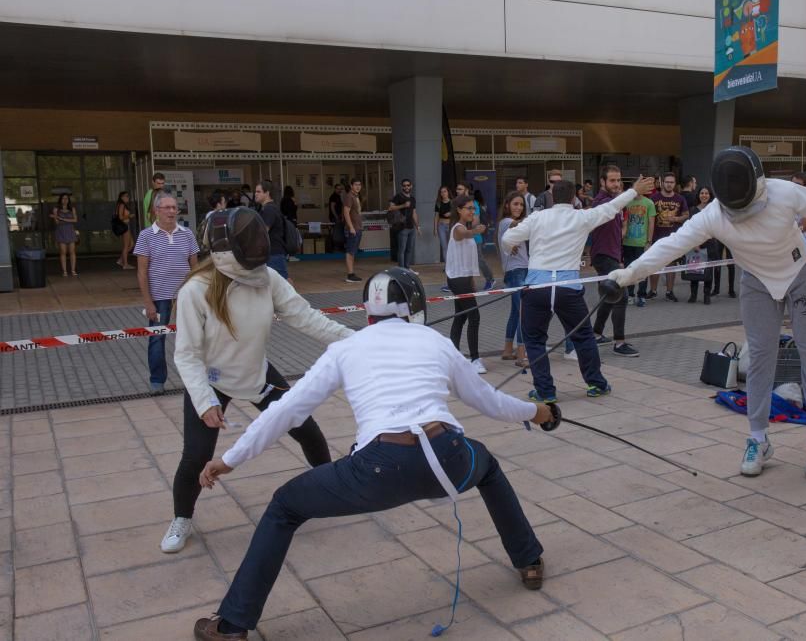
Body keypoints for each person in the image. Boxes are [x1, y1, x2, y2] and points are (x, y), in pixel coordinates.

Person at [191, 268, 551, 640]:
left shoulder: (346, 349)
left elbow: (287, 410)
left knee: (285, 506)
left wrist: (230, 459)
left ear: (368, 311)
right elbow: (490, 402)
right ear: (414, 305)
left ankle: (232, 625)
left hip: (377, 470)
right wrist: (539, 412)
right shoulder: (434, 339)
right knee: (487, 466)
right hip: (450, 459)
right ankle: (528, 560)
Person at [610, 146, 806, 480]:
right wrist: (629, 274)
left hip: (802, 275)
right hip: (757, 283)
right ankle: (758, 439)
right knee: (760, 358)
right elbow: (670, 245)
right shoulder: (713, 215)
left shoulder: (783, 191)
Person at [163, 207, 354, 554]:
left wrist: (356, 340)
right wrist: (205, 402)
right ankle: (181, 519)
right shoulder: (196, 290)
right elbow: (186, 355)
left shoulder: (267, 278)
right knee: (195, 457)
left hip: (257, 374)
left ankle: (333, 489)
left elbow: (307, 318)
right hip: (211, 382)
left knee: (307, 429)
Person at [502, 176, 655, 403]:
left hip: (537, 288)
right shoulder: (582, 217)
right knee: (584, 337)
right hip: (568, 289)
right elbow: (611, 207)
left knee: (534, 340)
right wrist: (634, 191)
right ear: (574, 197)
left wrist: (511, 247)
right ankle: (596, 384)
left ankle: (545, 392)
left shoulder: (537, 217)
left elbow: (507, 237)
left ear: (552, 196)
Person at [135, 191, 199, 395]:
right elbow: (142, 272)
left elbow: (195, 268)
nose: (172, 211)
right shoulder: (146, 236)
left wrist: (196, 295)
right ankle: (157, 381)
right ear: (156, 211)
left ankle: (195, 378)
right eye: (167, 208)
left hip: (185, 297)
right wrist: (148, 302)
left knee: (193, 337)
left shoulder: (187, 234)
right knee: (156, 339)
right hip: (159, 297)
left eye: (174, 208)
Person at [590, 165, 641, 357]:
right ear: (602, 182)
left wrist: (619, 258)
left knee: (609, 295)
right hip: (603, 256)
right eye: (612, 180)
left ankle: (596, 333)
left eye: (619, 180)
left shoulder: (614, 202)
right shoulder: (601, 202)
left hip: (610, 255)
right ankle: (619, 343)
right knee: (621, 295)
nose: (617, 184)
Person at [445, 194, 487, 374]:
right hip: (456, 278)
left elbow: (468, 259)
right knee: (474, 316)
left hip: (463, 278)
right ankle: (475, 358)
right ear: (459, 210)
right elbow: (463, 235)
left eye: (473, 208)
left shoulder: (466, 228)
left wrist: (471, 279)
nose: (472, 211)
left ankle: (452, 356)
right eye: (469, 208)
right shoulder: (458, 228)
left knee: (461, 316)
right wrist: (477, 230)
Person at [498, 191, 529, 367]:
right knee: (524, 313)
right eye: (515, 204)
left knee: (516, 312)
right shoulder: (507, 222)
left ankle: (508, 350)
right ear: (507, 205)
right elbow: (517, 224)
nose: (518, 207)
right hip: (517, 271)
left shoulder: (510, 224)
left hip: (516, 271)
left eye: (521, 205)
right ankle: (522, 355)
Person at [646, 172, 688, 301]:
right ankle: (653, 291)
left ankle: (670, 291)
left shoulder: (680, 199)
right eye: (667, 182)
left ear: (675, 184)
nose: (669, 184)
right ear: (662, 183)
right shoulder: (654, 198)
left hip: (673, 238)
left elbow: (686, 215)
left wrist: (675, 218)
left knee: (671, 265)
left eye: (672, 182)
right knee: (655, 265)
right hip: (656, 237)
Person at [622, 181, 656, 306]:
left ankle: (641, 295)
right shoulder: (626, 203)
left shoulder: (649, 203)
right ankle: (629, 294)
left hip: (642, 243)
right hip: (628, 242)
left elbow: (651, 223)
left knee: (642, 270)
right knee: (629, 269)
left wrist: (649, 241)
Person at [687, 187, 722, 305]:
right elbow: (690, 228)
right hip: (696, 244)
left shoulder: (714, 210)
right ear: (698, 195)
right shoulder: (693, 210)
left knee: (708, 272)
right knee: (695, 270)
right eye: (702, 193)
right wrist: (694, 243)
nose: (704, 195)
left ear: (710, 195)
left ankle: (707, 295)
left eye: (706, 193)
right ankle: (693, 295)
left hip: (710, 243)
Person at [459, 183, 494, 290]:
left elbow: (476, 221)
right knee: (464, 260)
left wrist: (464, 225)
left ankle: (490, 279)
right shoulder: (458, 204)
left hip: (474, 237)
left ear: (467, 190)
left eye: (460, 189)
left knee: (479, 260)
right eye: (457, 189)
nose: (457, 191)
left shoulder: (473, 203)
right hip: (463, 237)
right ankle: (466, 283)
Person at [253, 180, 289, 280]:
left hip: (274, 254)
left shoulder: (269, 209)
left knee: (281, 283)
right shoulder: (266, 208)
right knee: (282, 282)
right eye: (255, 191)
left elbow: (263, 232)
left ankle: (292, 296)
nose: (255, 194)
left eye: (258, 191)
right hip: (272, 254)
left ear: (267, 193)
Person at [388, 178, 420, 270]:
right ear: (402, 187)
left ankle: (407, 267)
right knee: (401, 250)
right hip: (402, 227)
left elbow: (414, 213)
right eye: (404, 185)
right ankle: (401, 269)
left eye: (408, 185)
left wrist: (417, 226)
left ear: (411, 186)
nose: (406, 187)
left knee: (409, 249)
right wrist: (403, 205)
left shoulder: (413, 199)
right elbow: (390, 208)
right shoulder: (398, 197)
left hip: (411, 227)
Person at [51, 193, 78, 277]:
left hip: (70, 230)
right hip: (61, 231)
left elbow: (75, 220)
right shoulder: (56, 209)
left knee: (72, 251)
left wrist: (61, 218)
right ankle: (64, 271)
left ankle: (73, 270)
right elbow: (57, 222)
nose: (65, 200)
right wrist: (56, 217)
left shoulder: (72, 209)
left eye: (66, 198)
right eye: (63, 198)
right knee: (63, 252)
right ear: (60, 199)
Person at [343, 178, 364, 283]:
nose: (358, 186)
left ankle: (352, 273)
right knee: (350, 251)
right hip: (353, 229)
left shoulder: (356, 196)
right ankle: (350, 274)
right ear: (351, 186)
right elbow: (346, 212)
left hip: (357, 227)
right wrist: (351, 227)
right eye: (356, 184)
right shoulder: (349, 196)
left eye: (359, 184)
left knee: (353, 251)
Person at [114, 191, 136, 270]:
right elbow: (120, 217)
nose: (128, 198)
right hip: (124, 226)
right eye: (126, 196)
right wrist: (129, 216)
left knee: (132, 244)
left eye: (128, 196)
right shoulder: (122, 205)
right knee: (126, 246)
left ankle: (121, 260)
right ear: (122, 197)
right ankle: (125, 264)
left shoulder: (121, 205)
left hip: (126, 226)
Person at [434, 185, 453, 263]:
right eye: (441, 192)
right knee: (444, 246)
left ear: (448, 192)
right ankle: (447, 265)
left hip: (450, 225)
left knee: (451, 246)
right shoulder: (438, 203)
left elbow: (458, 213)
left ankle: (452, 264)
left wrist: (450, 213)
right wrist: (435, 229)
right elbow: (436, 216)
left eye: (445, 191)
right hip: (441, 226)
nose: (443, 193)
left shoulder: (452, 202)